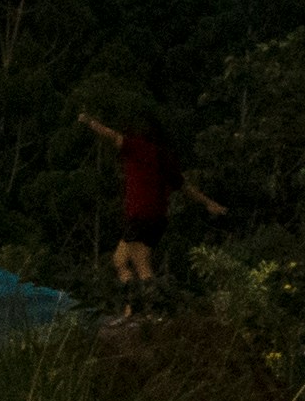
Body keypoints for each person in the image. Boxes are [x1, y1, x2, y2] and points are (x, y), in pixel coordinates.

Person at [79, 104, 224, 287]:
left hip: (141, 214)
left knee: (127, 261)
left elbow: (112, 136)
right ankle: (143, 306)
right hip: (158, 218)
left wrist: (89, 121)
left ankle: (139, 305)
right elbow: (184, 186)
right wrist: (209, 203)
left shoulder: (137, 147)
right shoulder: (164, 157)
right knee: (135, 261)